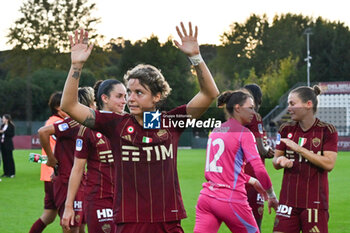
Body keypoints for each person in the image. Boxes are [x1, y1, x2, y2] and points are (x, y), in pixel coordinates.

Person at [61, 22, 219, 232]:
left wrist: (196, 58)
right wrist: (76, 66)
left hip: (168, 221)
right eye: (129, 92)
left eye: (139, 92)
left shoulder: (171, 122)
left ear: (157, 96)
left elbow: (210, 93)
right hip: (130, 221)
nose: (130, 98)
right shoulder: (115, 125)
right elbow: (69, 105)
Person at [194, 90, 279, 233]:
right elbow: (259, 168)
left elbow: (222, 170)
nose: (254, 112)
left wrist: (252, 181)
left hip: (206, 198)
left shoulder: (215, 131)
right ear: (237, 108)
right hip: (231, 199)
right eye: (250, 107)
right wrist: (271, 195)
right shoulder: (244, 134)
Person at [62, 80, 127, 233]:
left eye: (125, 96)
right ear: (104, 98)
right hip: (99, 199)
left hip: (125, 199)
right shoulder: (87, 129)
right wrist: (68, 206)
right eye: (119, 96)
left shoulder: (129, 123)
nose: (124, 101)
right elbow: (77, 169)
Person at [272, 85, 338, 233]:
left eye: (292, 104)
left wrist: (299, 149)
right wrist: (280, 161)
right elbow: (275, 161)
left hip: (314, 203)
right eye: (288, 104)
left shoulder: (327, 130)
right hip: (287, 202)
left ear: (308, 104)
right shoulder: (285, 129)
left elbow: (329, 163)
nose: (289, 108)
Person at [39, 87, 95, 233]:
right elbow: (43, 132)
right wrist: (51, 159)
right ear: (87, 105)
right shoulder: (72, 123)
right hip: (67, 180)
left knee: (81, 226)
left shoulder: (86, 125)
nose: (95, 105)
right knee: (71, 227)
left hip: (80, 180)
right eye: (93, 102)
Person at [29, 91, 69, 233]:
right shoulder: (58, 124)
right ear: (59, 107)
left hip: (48, 175)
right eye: (68, 104)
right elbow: (57, 151)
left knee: (49, 215)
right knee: (69, 218)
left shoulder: (51, 121)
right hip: (56, 176)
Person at [243, 83, 274, 230]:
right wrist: (269, 151)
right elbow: (261, 150)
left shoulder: (237, 116)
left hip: (239, 176)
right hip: (253, 177)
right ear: (259, 99)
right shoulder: (254, 116)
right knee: (255, 226)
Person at [0, 114, 16, 178]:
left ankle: (12, 173)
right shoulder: (2, 125)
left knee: (10, 159)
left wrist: (3, 132)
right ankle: (6, 173)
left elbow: (12, 134)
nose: (2, 120)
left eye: (3, 118)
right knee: (4, 159)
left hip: (8, 144)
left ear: (7, 119)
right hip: (2, 144)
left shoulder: (11, 126)